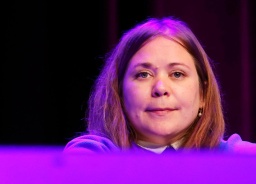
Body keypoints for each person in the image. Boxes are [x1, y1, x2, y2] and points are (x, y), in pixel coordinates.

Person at [64, 16, 256, 155]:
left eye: (177, 74)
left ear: (203, 94)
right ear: (119, 93)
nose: (160, 88)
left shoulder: (239, 160)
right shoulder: (93, 155)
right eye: (143, 74)